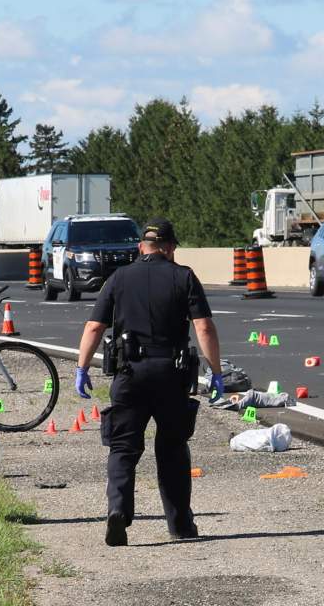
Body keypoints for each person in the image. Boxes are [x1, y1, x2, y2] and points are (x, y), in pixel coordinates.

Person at [75, 217, 223, 546]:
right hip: (171, 374)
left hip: (130, 374)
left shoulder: (119, 277)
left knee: (123, 447)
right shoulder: (183, 276)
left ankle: (118, 511)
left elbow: (94, 328)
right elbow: (204, 329)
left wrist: (82, 367)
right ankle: (180, 526)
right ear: (169, 248)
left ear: (142, 246)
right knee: (172, 449)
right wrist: (215, 372)